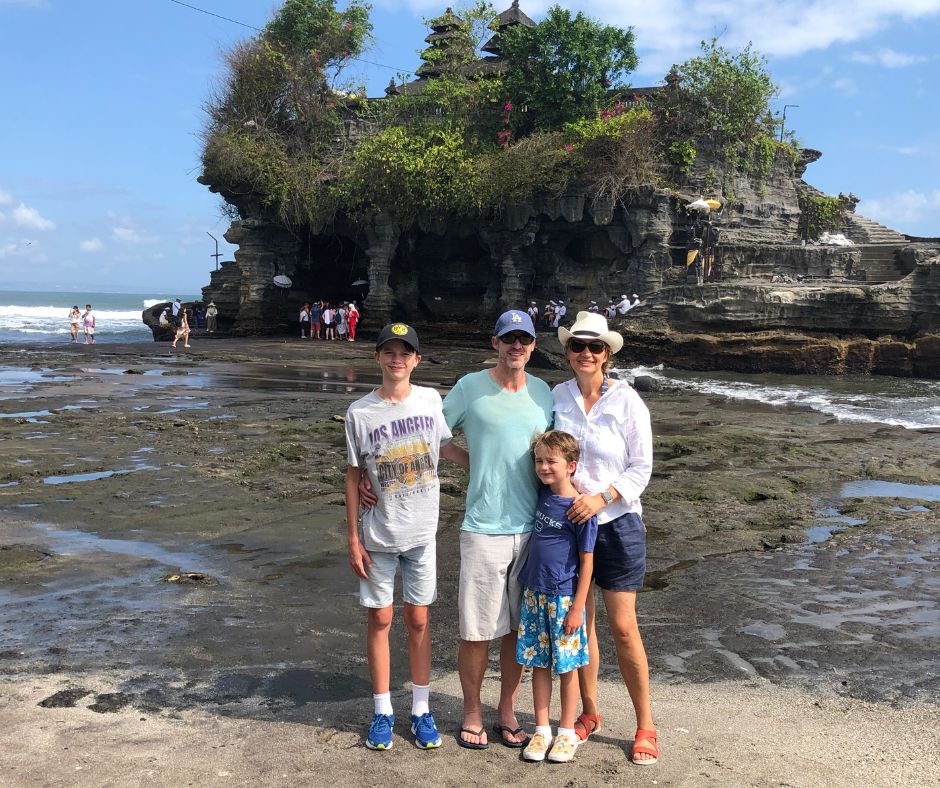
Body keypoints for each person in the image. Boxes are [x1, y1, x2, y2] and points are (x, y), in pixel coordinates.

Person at [344, 322, 457, 752]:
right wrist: (353, 538)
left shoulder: (430, 400)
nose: (396, 359)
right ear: (377, 358)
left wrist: (490, 463)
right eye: (388, 352)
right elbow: (354, 477)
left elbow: (445, 448)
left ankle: (421, 709)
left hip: (422, 533)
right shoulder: (360, 412)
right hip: (377, 535)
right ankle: (382, 711)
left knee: (420, 619)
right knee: (380, 619)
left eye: (404, 353)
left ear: (416, 360)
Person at [443, 309, 553, 749]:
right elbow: (434, 432)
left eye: (524, 339)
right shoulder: (470, 387)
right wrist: (472, 464)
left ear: (533, 346)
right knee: (476, 629)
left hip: (532, 528)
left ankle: (506, 708)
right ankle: (472, 710)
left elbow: (558, 451)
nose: (517, 346)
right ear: (495, 343)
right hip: (483, 528)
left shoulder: (543, 392)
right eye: (509, 339)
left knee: (516, 629)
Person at [552, 311, 657, 766]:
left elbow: (642, 467)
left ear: (608, 354)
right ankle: (589, 713)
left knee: (623, 626)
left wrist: (602, 498)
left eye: (595, 347)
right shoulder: (556, 397)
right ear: (568, 351)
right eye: (578, 346)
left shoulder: (628, 401)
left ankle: (645, 724)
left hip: (618, 524)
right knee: (582, 624)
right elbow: (541, 451)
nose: (586, 354)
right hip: (569, 524)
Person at [517, 430, 597, 764]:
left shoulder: (580, 509)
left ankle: (566, 732)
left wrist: (579, 606)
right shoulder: (542, 495)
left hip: (565, 598)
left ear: (572, 465)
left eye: (552, 461)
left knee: (567, 668)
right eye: (539, 460)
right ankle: (541, 729)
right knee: (537, 663)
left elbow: (587, 562)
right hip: (534, 594)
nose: (544, 467)